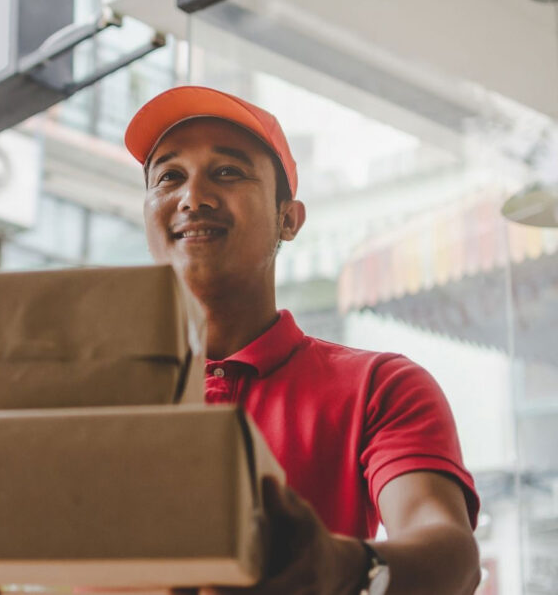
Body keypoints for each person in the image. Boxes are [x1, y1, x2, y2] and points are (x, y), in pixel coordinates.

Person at [125, 86, 480, 595]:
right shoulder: (97, 387)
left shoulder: (380, 386)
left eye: (227, 172)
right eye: (169, 177)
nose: (193, 198)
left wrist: (340, 566)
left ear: (288, 219)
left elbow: (452, 556)